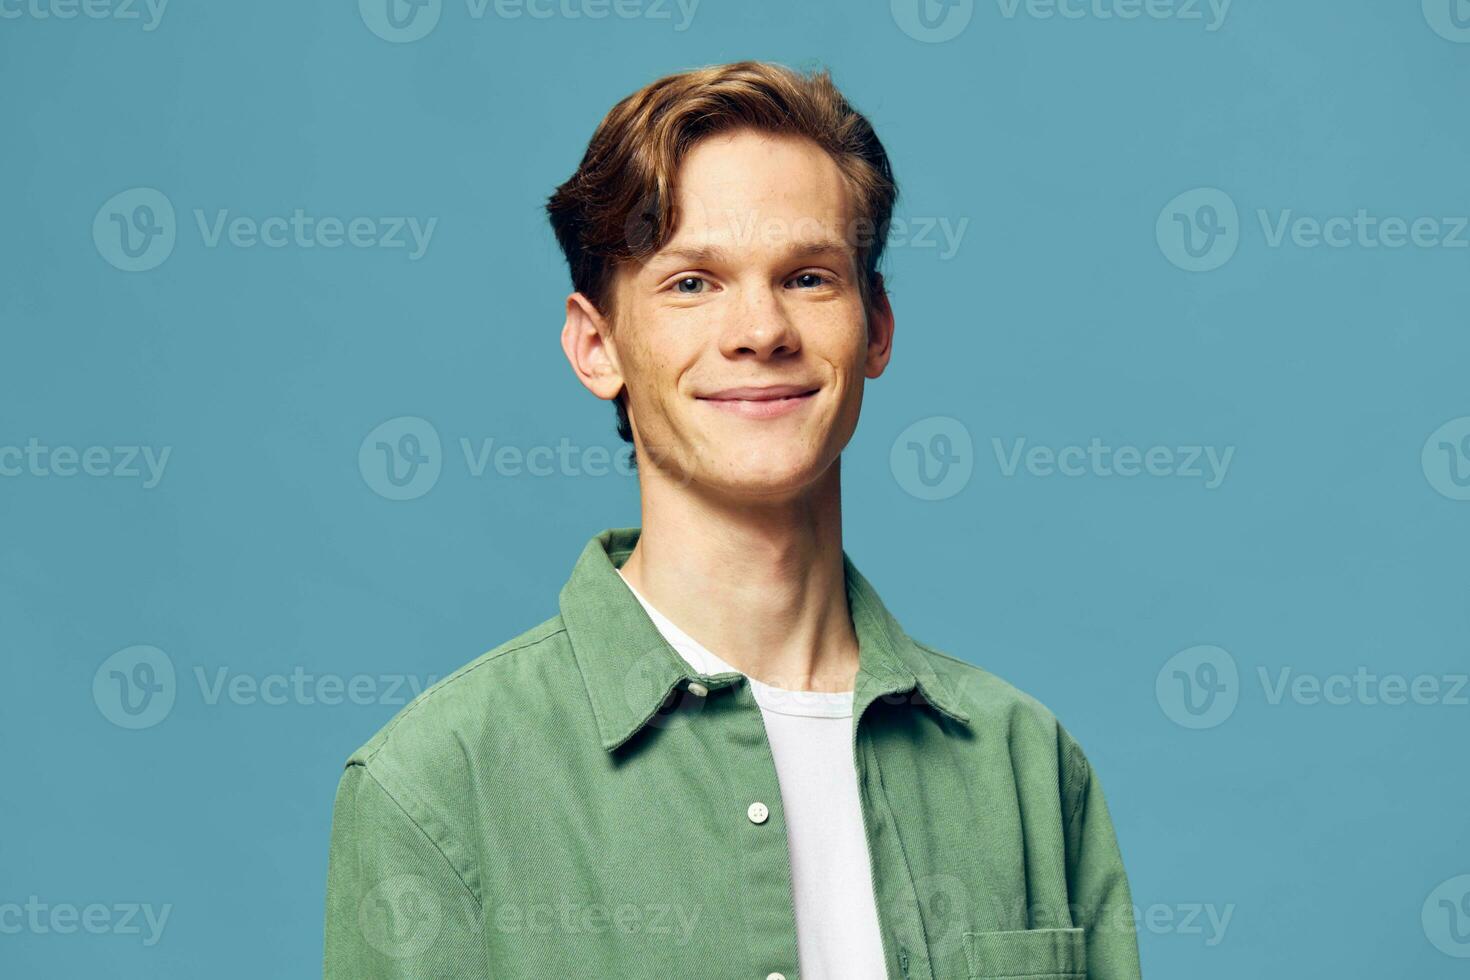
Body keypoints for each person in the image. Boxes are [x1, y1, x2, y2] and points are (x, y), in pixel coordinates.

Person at [323, 60, 1142, 980]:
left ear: (876, 327)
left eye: (806, 276)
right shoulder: (436, 786)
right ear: (598, 347)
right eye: (691, 283)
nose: (760, 330)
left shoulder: (1024, 765)